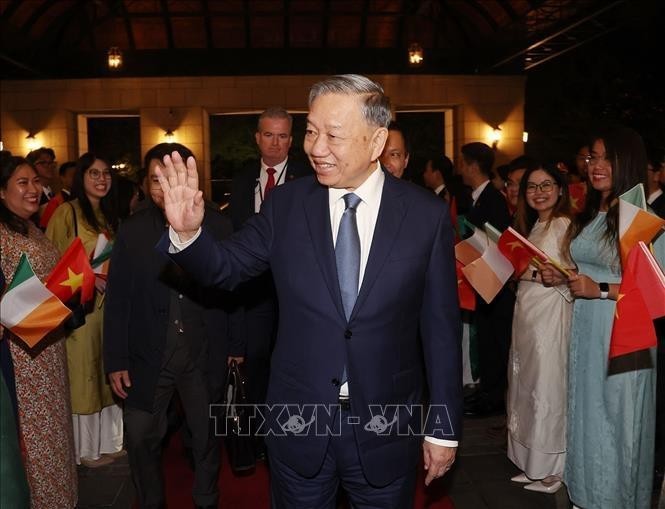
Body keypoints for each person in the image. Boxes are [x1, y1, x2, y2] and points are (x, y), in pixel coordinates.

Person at [157, 74, 461, 508]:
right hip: (298, 423)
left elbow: (442, 333)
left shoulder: (425, 216)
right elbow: (225, 268)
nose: (315, 148)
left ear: (376, 142)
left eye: (333, 135)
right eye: (312, 131)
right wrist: (188, 235)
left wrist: (443, 427)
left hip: (386, 427)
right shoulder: (286, 205)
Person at [104, 143, 245, 509]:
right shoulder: (133, 230)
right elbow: (118, 298)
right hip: (148, 354)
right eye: (154, 180)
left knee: (205, 437)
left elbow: (233, 291)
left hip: (203, 353)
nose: (161, 187)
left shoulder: (217, 223)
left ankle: (206, 499)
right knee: (140, 437)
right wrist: (116, 358)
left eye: (169, 177)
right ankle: (150, 502)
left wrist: (236, 346)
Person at [542, 126, 664, 509]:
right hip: (588, 331)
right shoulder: (596, 212)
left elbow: (659, 290)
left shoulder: (641, 217)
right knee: (587, 417)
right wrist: (563, 276)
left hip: (623, 333)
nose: (596, 166)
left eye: (606, 158)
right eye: (592, 157)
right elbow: (593, 271)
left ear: (626, 162)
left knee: (617, 424)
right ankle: (586, 496)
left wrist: (603, 291)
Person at [229, 106, 310, 454]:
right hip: (256, 292)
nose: (275, 143)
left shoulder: (310, 178)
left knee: (299, 364)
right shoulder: (243, 179)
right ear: (257, 138)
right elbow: (235, 234)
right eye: (268, 135)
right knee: (258, 363)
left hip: (299, 292)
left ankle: (299, 433)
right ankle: (261, 438)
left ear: (291, 141)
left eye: (282, 136)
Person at [0, 151, 77, 507]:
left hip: (47, 348)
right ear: (1, 191)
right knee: (32, 440)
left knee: (55, 437)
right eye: (23, 182)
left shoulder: (30, 226)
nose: (34, 189)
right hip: (20, 359)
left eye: (36, 181)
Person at [46, 152, 124, 468]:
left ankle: (111, 442)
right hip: (82, 310)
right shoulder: (67, 213)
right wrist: (90, 277)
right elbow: (52, 263)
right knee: (83, 375)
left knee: (107, 372)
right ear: (82, 178)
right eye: (94, 173)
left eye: (106, 173)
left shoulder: (111, 214)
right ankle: (85, 449)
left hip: (110, 309)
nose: (102, 179)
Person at [506, 162, 573, 494]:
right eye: (532, 186)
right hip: (527, 315)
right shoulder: (533, 226)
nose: (539, 192)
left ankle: (553, 468)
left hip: (550, 315)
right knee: (525, 384)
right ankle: (531, 463)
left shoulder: (564, 225)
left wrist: (530, 274)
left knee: (547, 387)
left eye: (547, 185)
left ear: (560, 189)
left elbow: (570, 274)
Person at [458, 142, 513, 418]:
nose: (461, 170)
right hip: (481, 279)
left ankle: (494, 397)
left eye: (463, 163)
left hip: (495, 282)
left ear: (473, 166)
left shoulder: (493, 199)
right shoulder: (477, 197)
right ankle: (486, 393)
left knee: (494, 341)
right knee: (486, 339)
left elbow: (499, 240)